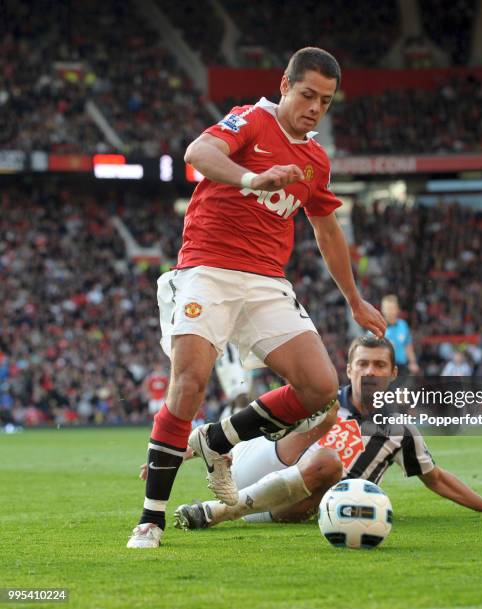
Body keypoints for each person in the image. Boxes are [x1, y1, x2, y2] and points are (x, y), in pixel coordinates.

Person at [127, 47, 386, 548]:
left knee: (319, 387)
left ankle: (217, 442)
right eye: (308, 94)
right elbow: (197, 154)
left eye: (326, 101)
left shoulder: (315, 158)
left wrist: (354, 299)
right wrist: (251, 177)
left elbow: (328, 230)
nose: (315, 107)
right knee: (189, 384)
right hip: (207, 268)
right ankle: (150, 519)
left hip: (267, 280)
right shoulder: (250, 118)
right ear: (285, 86)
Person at [169, 336, 482, 529]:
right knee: (325, 435)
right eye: (362, 364)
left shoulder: (400, 429)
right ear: (348, 369)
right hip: (254, 468)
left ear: (392, 374)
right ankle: (219, 509)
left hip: (288, 508)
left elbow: (437, 479)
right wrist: (178, 450)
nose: (370, 371)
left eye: (379, 365)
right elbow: (251, 419)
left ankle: (217, 513)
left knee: (332, 477)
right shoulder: (316, 395)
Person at [381, 294, 419, 378]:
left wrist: (413, 362)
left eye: (392, 308)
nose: (390, 311)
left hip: (402, 368)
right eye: (387, 308)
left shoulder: (403, 325)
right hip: (384, 369)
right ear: (383, 310)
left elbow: (408, 345)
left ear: (397, 309)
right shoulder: (377, 327)